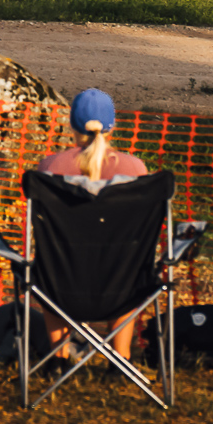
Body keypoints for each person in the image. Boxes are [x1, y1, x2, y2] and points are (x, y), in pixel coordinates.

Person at [36, 89, 150, 361]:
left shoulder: (50, 166)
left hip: (61, 282)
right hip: (120, 285)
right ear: (113, 126)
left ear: (71, 125)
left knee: (51, 262)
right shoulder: (135, 169)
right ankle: (120, 358)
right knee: (126, 260)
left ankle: (58, 357)